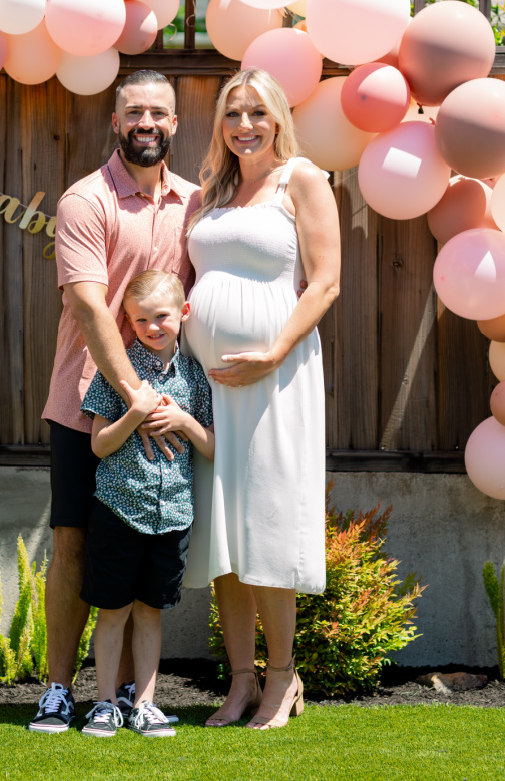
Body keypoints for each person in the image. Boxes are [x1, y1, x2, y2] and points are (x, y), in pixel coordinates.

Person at [30, 71, 201, 734]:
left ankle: (127, 692)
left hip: (169, 406)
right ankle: (56, 690)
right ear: (115, 122)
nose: (146, 122)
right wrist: (136, 398)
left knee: (143, 546)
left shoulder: (195, 203)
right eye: (134, 112)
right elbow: (89, 306)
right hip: (88, 403)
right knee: (75, 542)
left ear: (175, 123)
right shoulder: (86, 200)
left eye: (158, 112)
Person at [181, 67, 341, 730]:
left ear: (278, 119)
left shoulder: (301, 179)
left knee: (266, 523)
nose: (244, 125)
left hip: (275, 378)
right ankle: (242, 680)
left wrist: (273, 351)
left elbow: (325, 283)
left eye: (256, 113)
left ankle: (283, 677)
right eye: (232, 113)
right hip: (209, 384)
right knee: (222, 532)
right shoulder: (210, 192)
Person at [78, 270, 214, 739]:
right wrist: (135, 411)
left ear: (183, 313)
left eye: (161, 316)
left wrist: (184, 421)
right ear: (128, 322)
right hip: (119, 510)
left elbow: (212, 448)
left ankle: (145, 705)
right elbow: (99, 445)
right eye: (140, 320)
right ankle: (104, 704)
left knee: (150, 613)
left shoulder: (194, 377)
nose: (152, 327)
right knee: (113, 612)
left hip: (172, 515)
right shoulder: (117, 374)